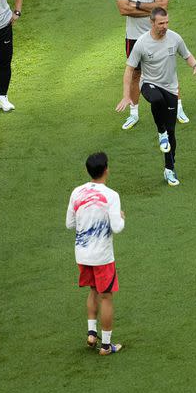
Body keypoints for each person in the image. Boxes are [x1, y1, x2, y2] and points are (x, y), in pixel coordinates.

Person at [115, 8, 196, 186]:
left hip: (171, 89)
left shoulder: (175, 38)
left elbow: (186, 55)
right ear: (152, 23)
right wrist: (126, 96)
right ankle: (160, 132)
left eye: (167, 22)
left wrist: (195, 66)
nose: (165, 26)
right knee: (156, 100)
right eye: (161, 23)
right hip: (149, 84)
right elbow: (129, 70)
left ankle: (169, 169)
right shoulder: (142, 43)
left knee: (172, 134)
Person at [116, 0, 190, 129]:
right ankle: (133, 113)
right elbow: (123, 9)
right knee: (135, 74)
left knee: (169, 71)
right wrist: (151, 7)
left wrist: (136, 4)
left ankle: (178, 107)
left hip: (160, 34)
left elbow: (163, 6)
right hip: (134, 35)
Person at [66, 152, 125, 355]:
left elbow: (69, 223)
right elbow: (117, 227)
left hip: (82, 253)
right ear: (106, 169)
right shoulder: (111, 195)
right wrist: (121, 217)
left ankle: (92, 333)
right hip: (102, 256)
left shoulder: (76, 192)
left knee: (93, 290)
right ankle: (107, 345)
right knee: (106, 297)